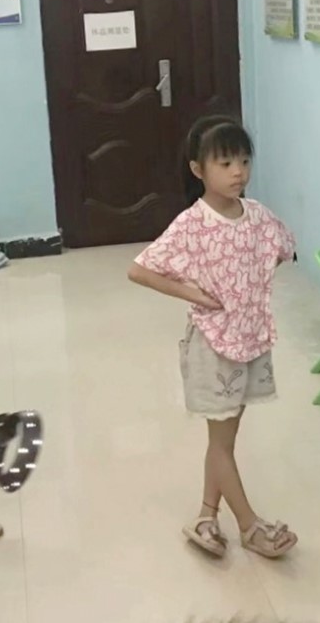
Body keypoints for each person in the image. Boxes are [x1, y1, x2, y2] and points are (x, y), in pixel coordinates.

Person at [127, 116, 298, 560]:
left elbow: (284, 248)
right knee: (222, 442)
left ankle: (206, 515)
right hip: (213, 345)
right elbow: (139, 270)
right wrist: (194, 293)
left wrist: (249, 282)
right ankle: (250, 526)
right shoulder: (191, 225)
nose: (238, 172)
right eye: (225, 163)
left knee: (223, 440)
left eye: (244, 161)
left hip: (249, 340)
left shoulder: (257, 215)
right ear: (198, 169)